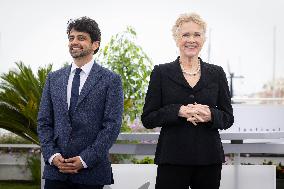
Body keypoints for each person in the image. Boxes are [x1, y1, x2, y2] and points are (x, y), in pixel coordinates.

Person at [141, 13, 234, 189]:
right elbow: (148, 118)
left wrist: (211, 115)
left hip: (209, 159)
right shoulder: (161, 72)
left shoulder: (217, 73)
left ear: (203, 39)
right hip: (172, 159)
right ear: (176, 39)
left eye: (197, 35)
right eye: (185, 35)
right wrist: (178, 111)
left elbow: (228, 118)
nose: (191, 40)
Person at [37, 16, 123, 189]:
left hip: (91, 173)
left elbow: (112, 126)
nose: (74, 42)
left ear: (95, 45)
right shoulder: (54, 78)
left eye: (81, 38)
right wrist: (52, 156)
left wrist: (85, 160)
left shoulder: (110, 80)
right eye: (71, 38)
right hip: (56, 172)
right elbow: (44, 122)